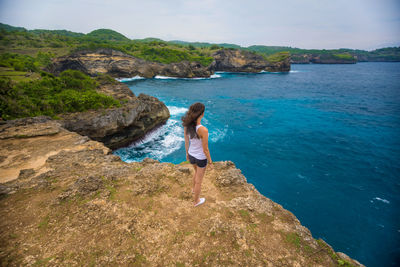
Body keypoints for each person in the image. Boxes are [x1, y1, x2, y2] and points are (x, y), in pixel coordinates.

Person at [181, 102, 213, 207]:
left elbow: (186, 141)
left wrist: (187, 153)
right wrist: (210, 162)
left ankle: (193, 190)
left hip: (191, 155)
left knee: (196, 172)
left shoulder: (187, 125)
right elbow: (206, 149)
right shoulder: (203, 130)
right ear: (202, 114)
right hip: (200, 158)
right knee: (199, 181)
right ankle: (196, 201)